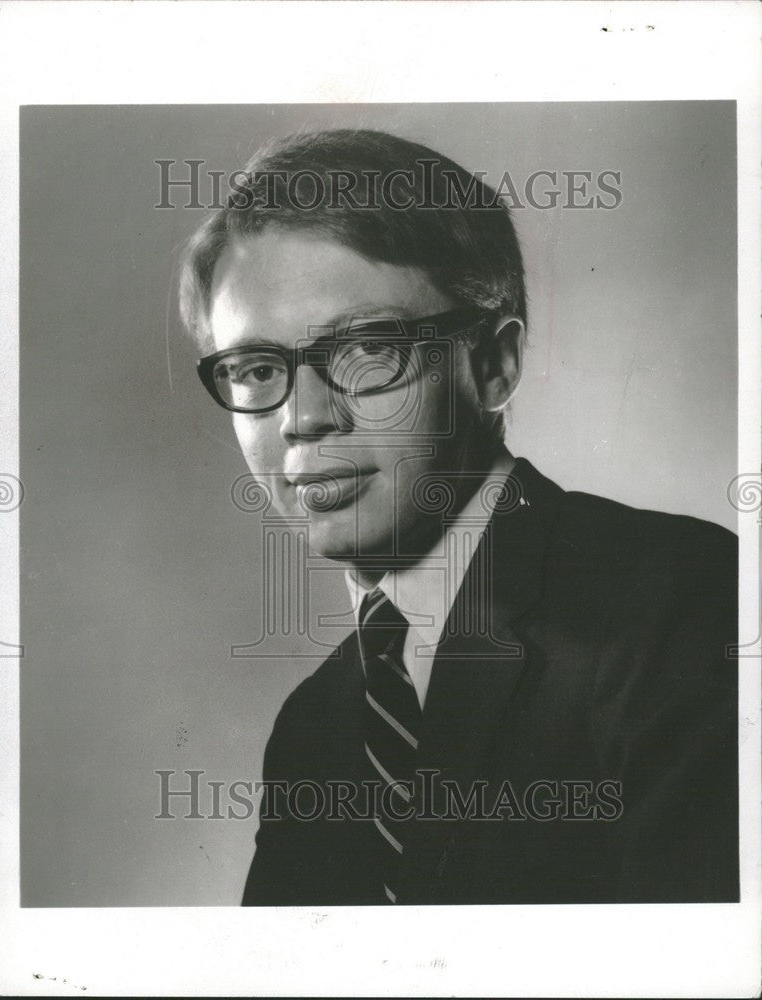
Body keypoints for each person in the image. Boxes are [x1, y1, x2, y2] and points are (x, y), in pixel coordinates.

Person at [179, 128, 738, 905]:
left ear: (494, 364)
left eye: (369, 350)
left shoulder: (683, 600)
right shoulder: (315, 727)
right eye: (258, 369)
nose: (304, 418)